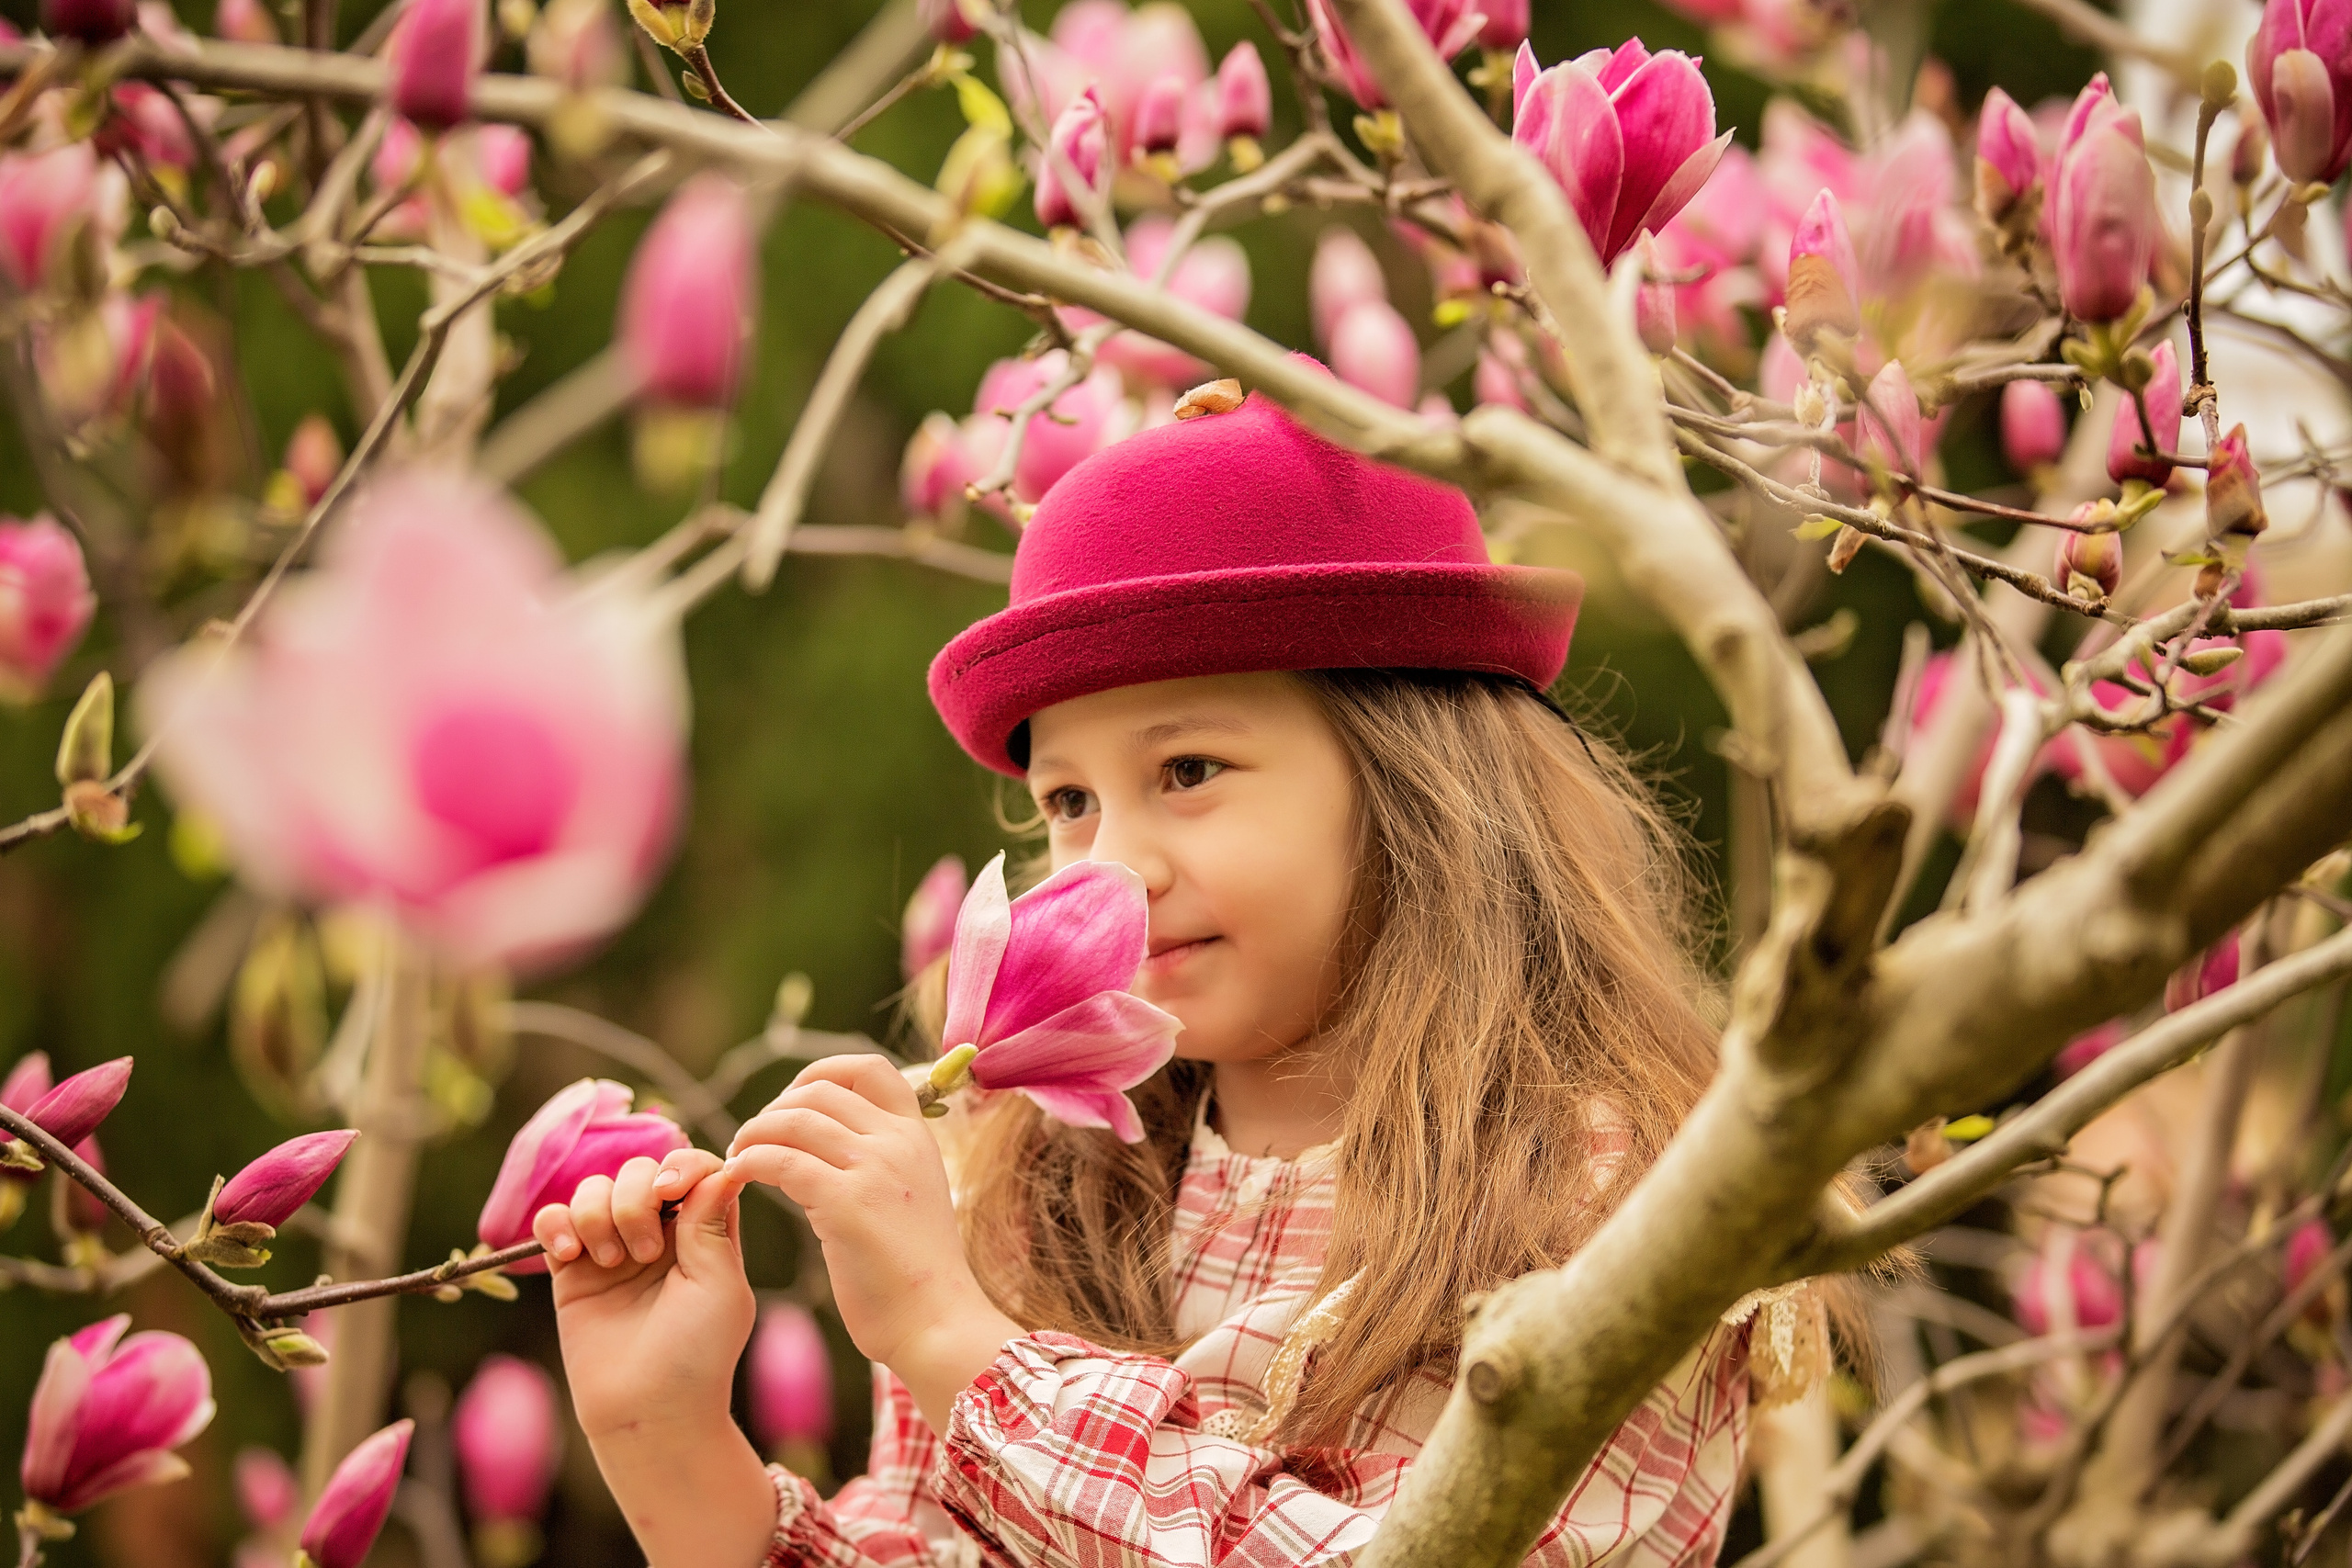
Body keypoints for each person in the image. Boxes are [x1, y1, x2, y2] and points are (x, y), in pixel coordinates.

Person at [532, 384, 1822, 1566]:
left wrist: (957, 1347)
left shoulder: (1600, 1193)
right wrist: (669, 1446)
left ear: (1423, 791)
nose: (1114, 870)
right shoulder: (1036, 1190)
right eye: (1071, 803)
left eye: (1189, 772)